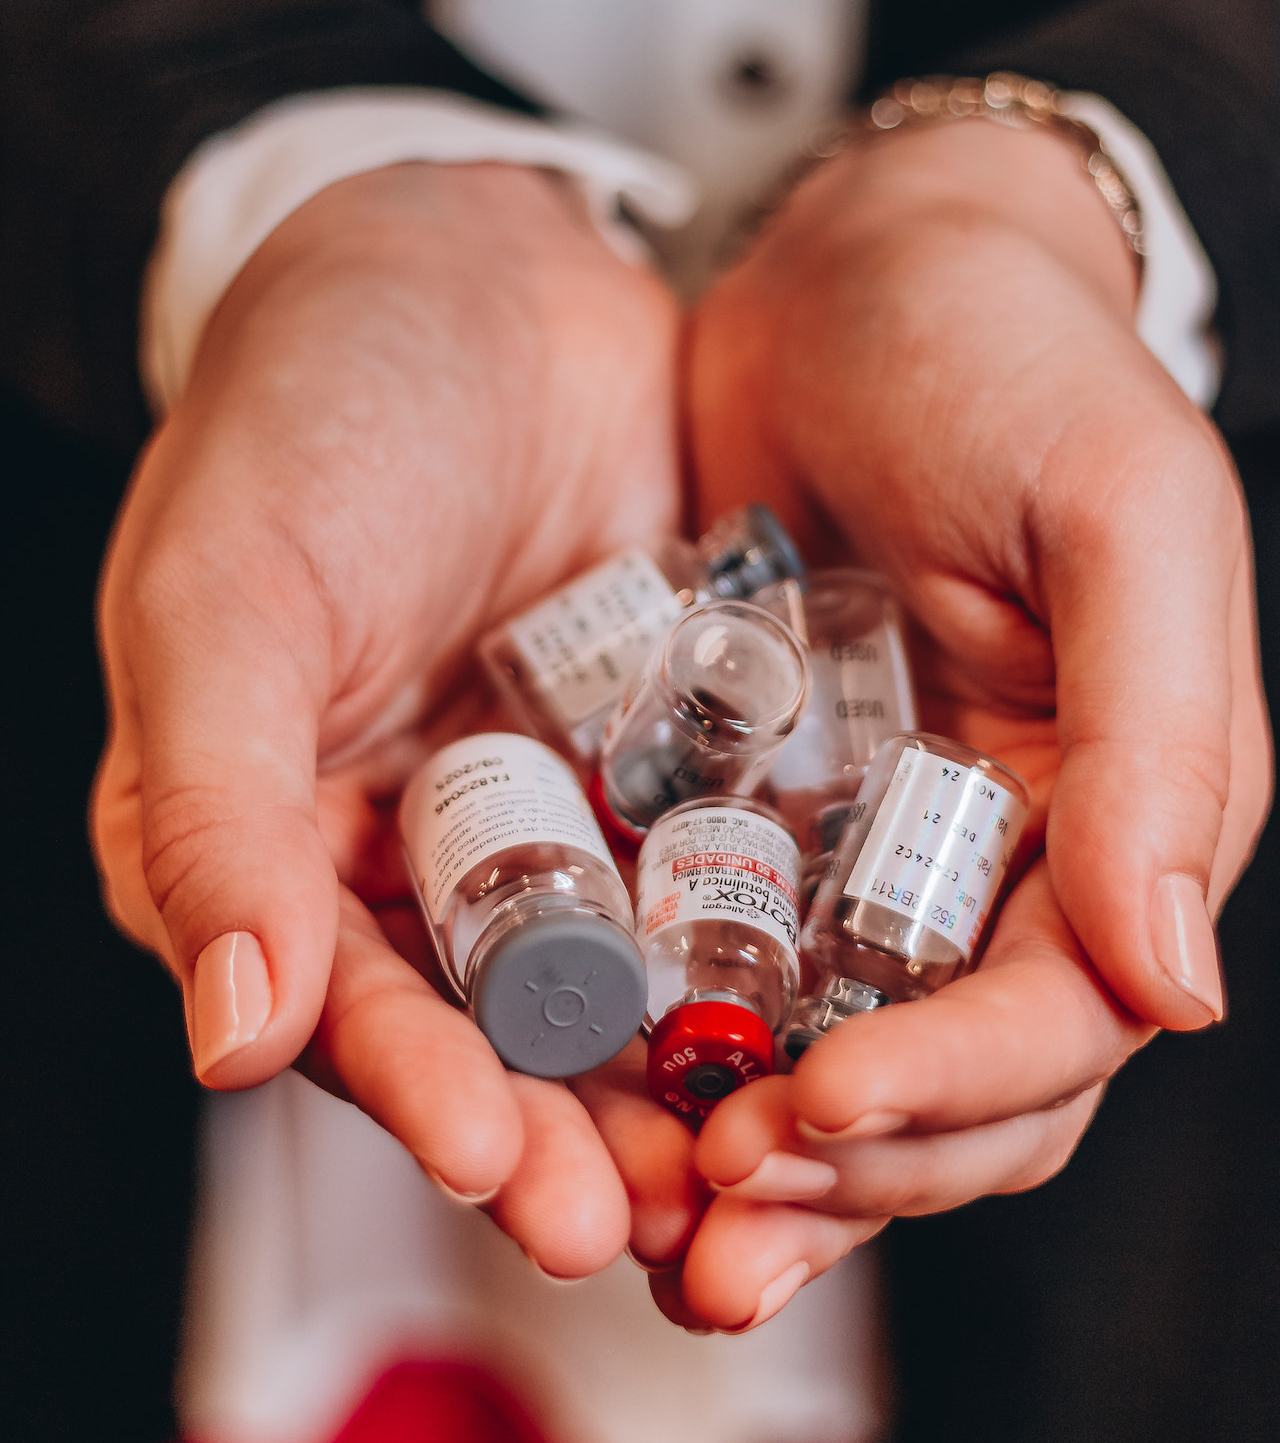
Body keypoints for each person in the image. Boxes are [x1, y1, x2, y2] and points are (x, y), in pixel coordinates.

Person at [3, 2, 1277, 1439]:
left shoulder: (799, 857)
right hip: (194, 713)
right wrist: (359, 216)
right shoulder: (704, 814)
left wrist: (1013, 218)